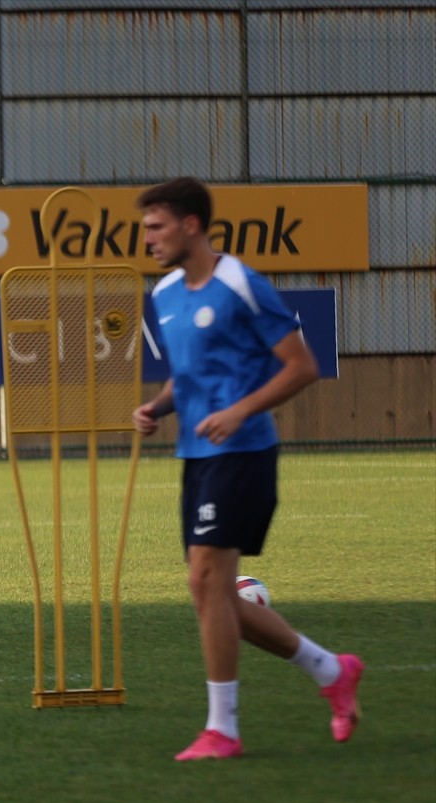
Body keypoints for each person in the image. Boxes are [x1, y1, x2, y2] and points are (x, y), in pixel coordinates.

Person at [132, 176, 363, 761]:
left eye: (155, 227)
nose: (147, 240)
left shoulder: (240, 283)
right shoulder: (163, 295)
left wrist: (238, 411)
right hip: (196, 455)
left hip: (244, 452)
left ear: (191, 225)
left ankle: (223, 730)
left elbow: (301, 366)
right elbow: (188, 377)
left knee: (208, 583)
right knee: (209, 590)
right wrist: (158, 407)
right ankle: (331, 670)